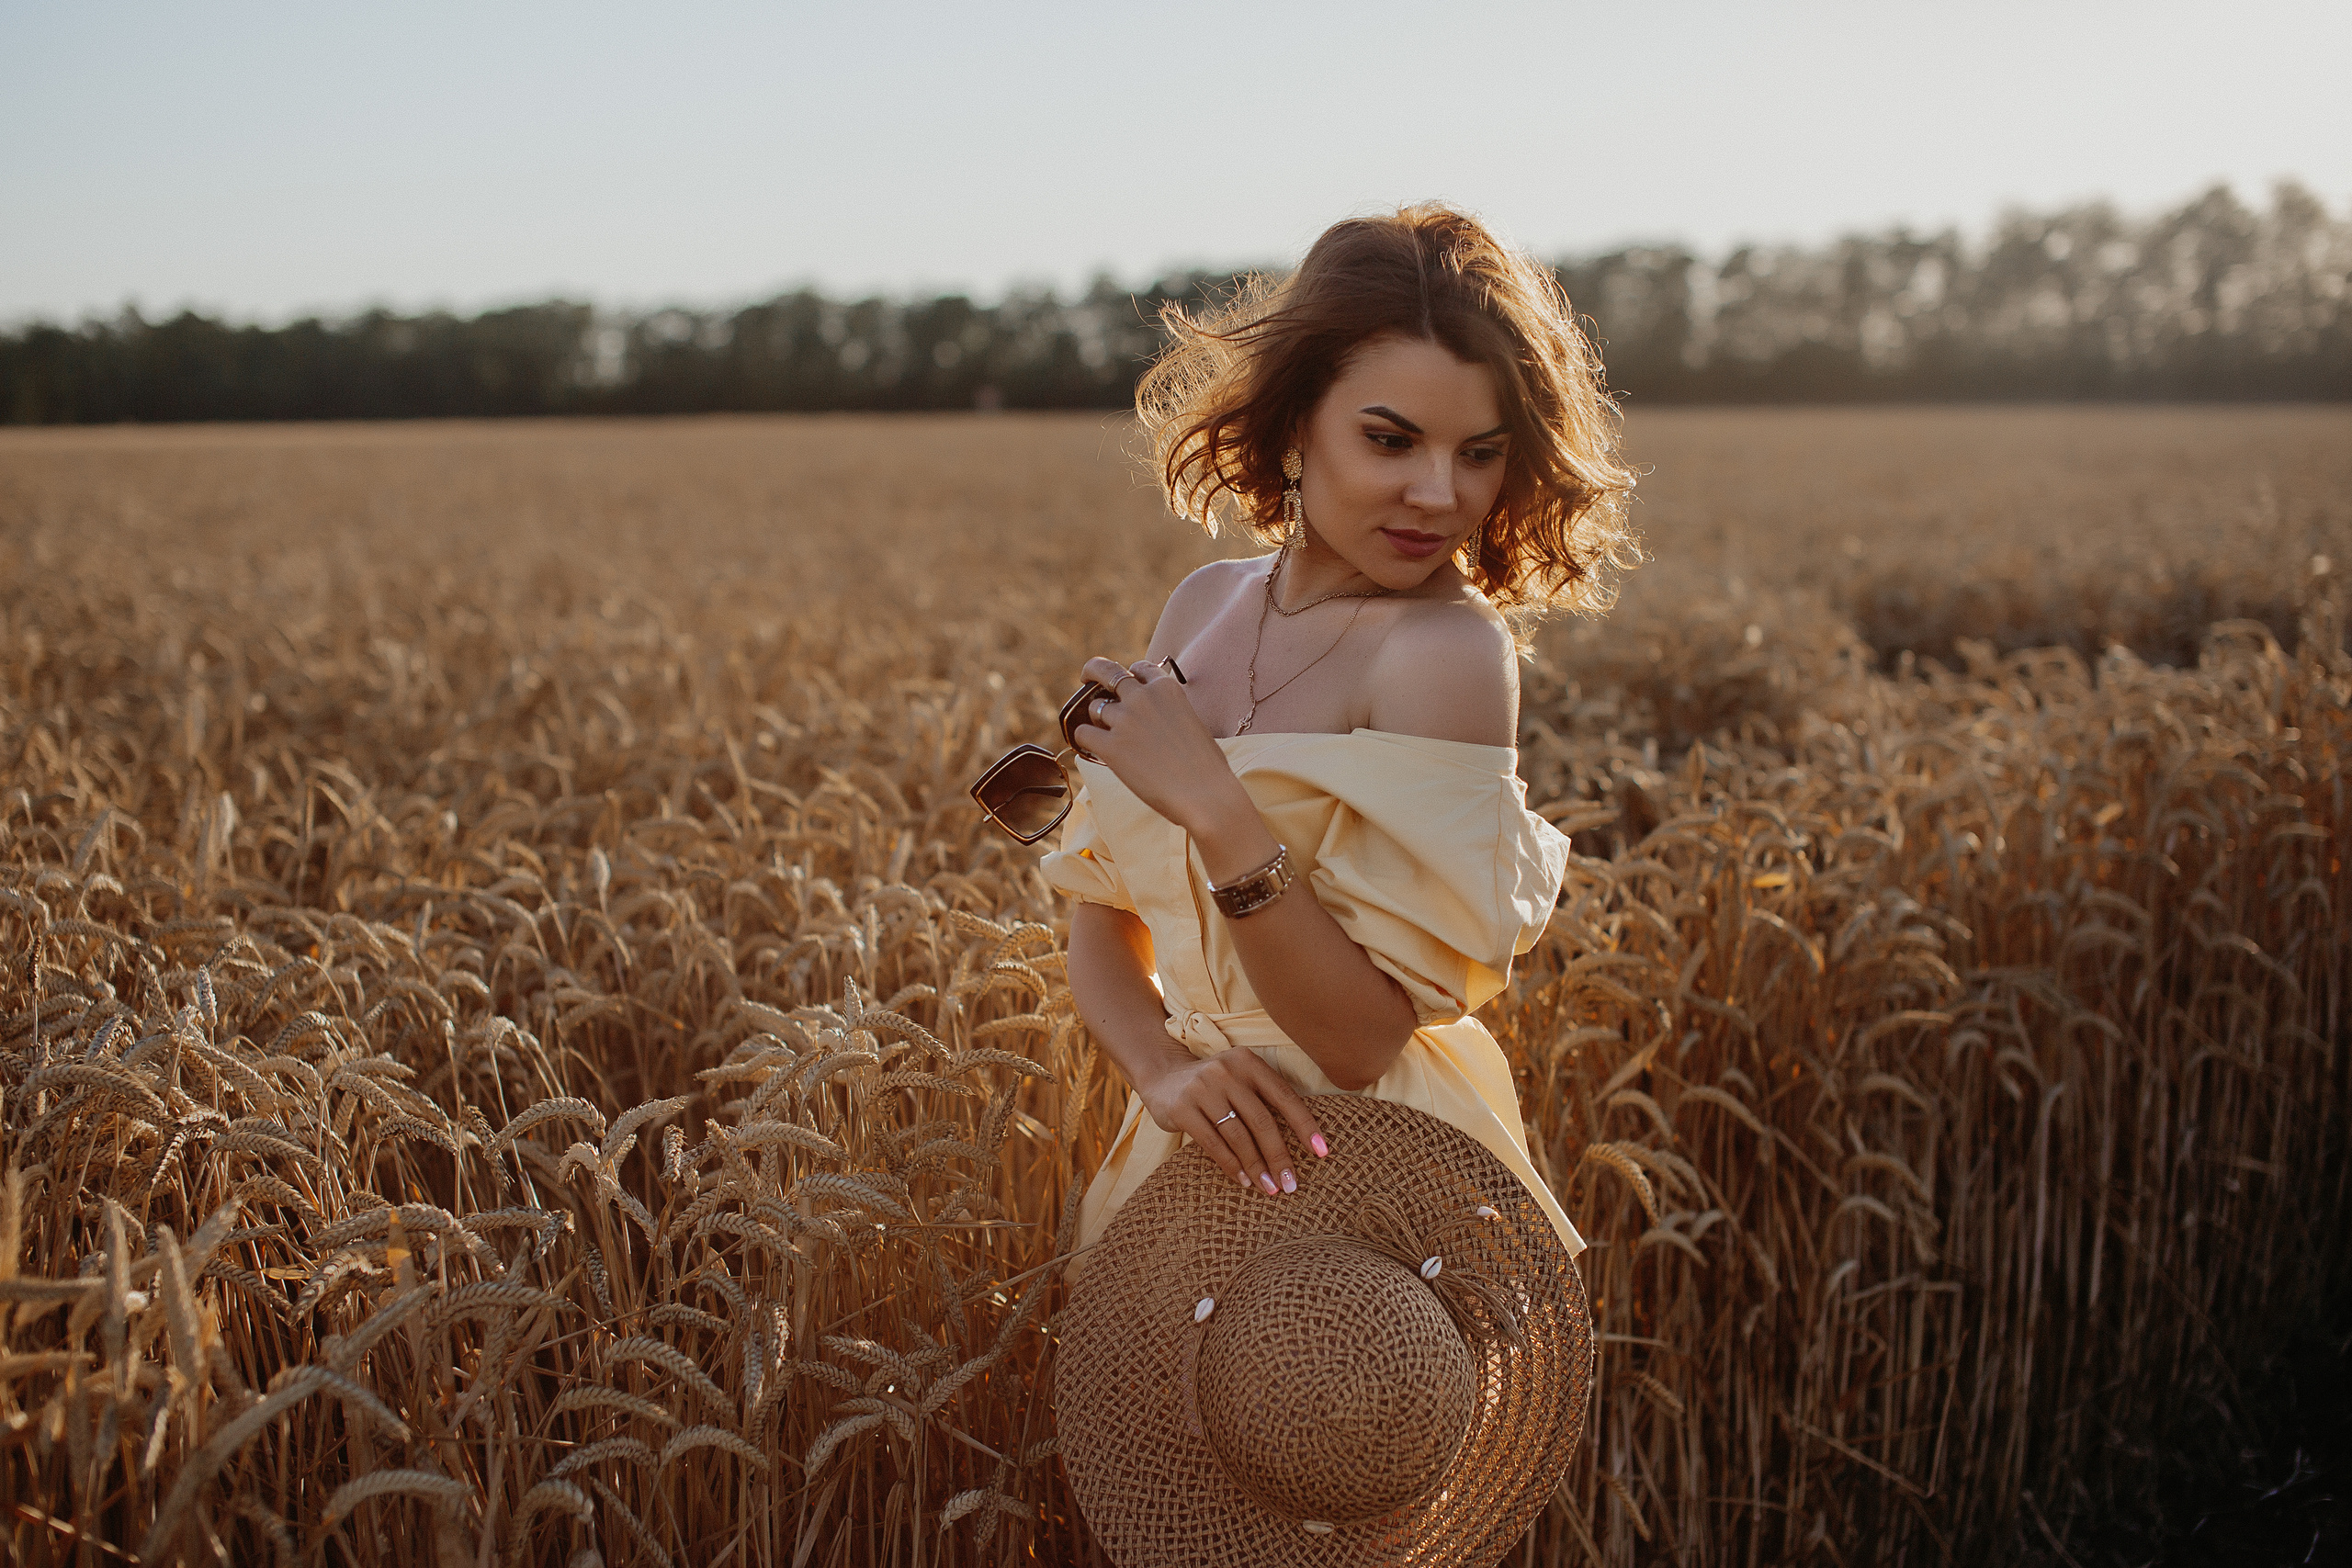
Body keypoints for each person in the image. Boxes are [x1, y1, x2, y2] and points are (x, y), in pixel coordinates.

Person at [1042, 203, 1638, 1263]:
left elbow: (1360, 1042)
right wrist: (1163, 1070)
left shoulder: (1445, 655)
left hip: (1369, 1176)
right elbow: (1103, 910)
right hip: (1191, 1157)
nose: (1437, 494)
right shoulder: (1203, 605)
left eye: (1480, 453)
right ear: (1294, 419)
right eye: (1388, 439)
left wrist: (1220, 811)